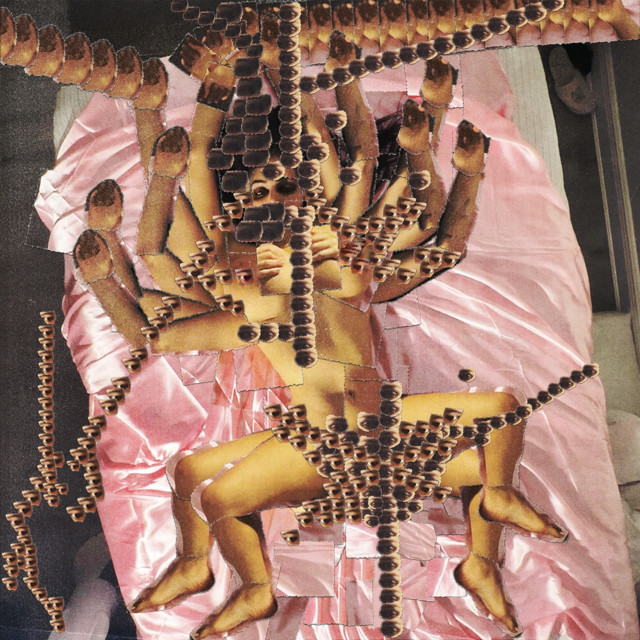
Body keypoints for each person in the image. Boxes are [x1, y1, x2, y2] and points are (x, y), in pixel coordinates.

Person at [71, 22, 571, 639]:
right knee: (198, 482)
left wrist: (444, 157)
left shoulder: (352, 269)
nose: (285, 211)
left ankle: (483, 552)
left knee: (499, 416)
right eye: (265, 201)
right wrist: (108, 269)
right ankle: (225, 575)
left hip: (382, 435)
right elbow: (160, 281)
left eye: (294, 200)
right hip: (323, 443)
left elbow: (421, 222)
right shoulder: (253, 304)